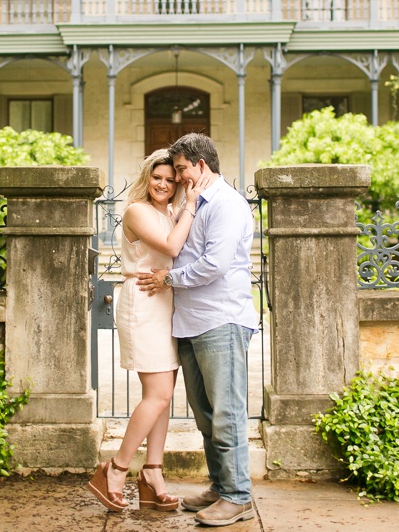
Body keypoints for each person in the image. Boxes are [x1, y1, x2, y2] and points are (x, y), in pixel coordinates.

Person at [137, 133, 258, 527]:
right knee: (205, 415)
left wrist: (169, 279)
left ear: (201, 167)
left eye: (182, 170)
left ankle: (238, 496)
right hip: (190, 323)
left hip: (221, 320)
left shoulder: (226, 204)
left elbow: (215, 265)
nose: (176, 177)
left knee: (226, 413)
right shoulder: (193, 204)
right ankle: (221, 486)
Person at [87, 149, 213, 512]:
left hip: (167, 302)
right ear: (147, 178)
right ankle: (115, 469)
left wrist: (184, 207)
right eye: (158, 177)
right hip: (143, 301)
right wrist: (191, 201)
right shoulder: (137, 211)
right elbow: (173, 246)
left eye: (171, 179)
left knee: (165, 394)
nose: (164, 184)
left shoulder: (171, 212)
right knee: (157, 394)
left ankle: (153, 473)